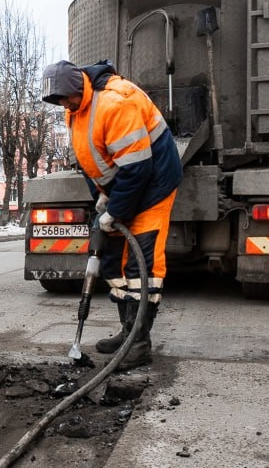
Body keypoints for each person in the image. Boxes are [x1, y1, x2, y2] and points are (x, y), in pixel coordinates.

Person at [40, 59, 181, 369]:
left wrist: (115, 209)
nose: (63, 104)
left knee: (140, 264)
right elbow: (93, 161)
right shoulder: (75, 110)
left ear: (79, 87)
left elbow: (137, 169)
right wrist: (103, 198)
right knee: (111, 260)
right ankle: (127, 331)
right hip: (123, 190)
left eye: (65, 98)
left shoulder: (116, 103)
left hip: (152, 186)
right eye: (58, 101)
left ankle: (139, 343)